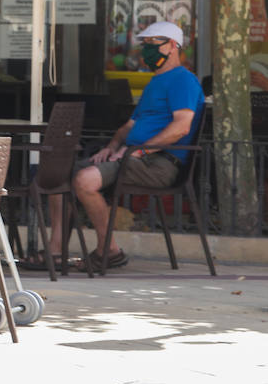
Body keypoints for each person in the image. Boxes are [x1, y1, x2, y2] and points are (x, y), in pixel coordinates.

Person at [41, 20, 203, 272]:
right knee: (57, 177)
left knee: (85, 181)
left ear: (172, 46)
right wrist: (112, 145)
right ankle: (55, 251)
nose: (146, 50)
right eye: (144, 45)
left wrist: (140, 150)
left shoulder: (183, 80)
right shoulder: (155, 82)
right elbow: (128, 126)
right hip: (130, 156)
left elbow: (181, 127)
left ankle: (110, 251)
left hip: (159, 162)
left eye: (153, 44)